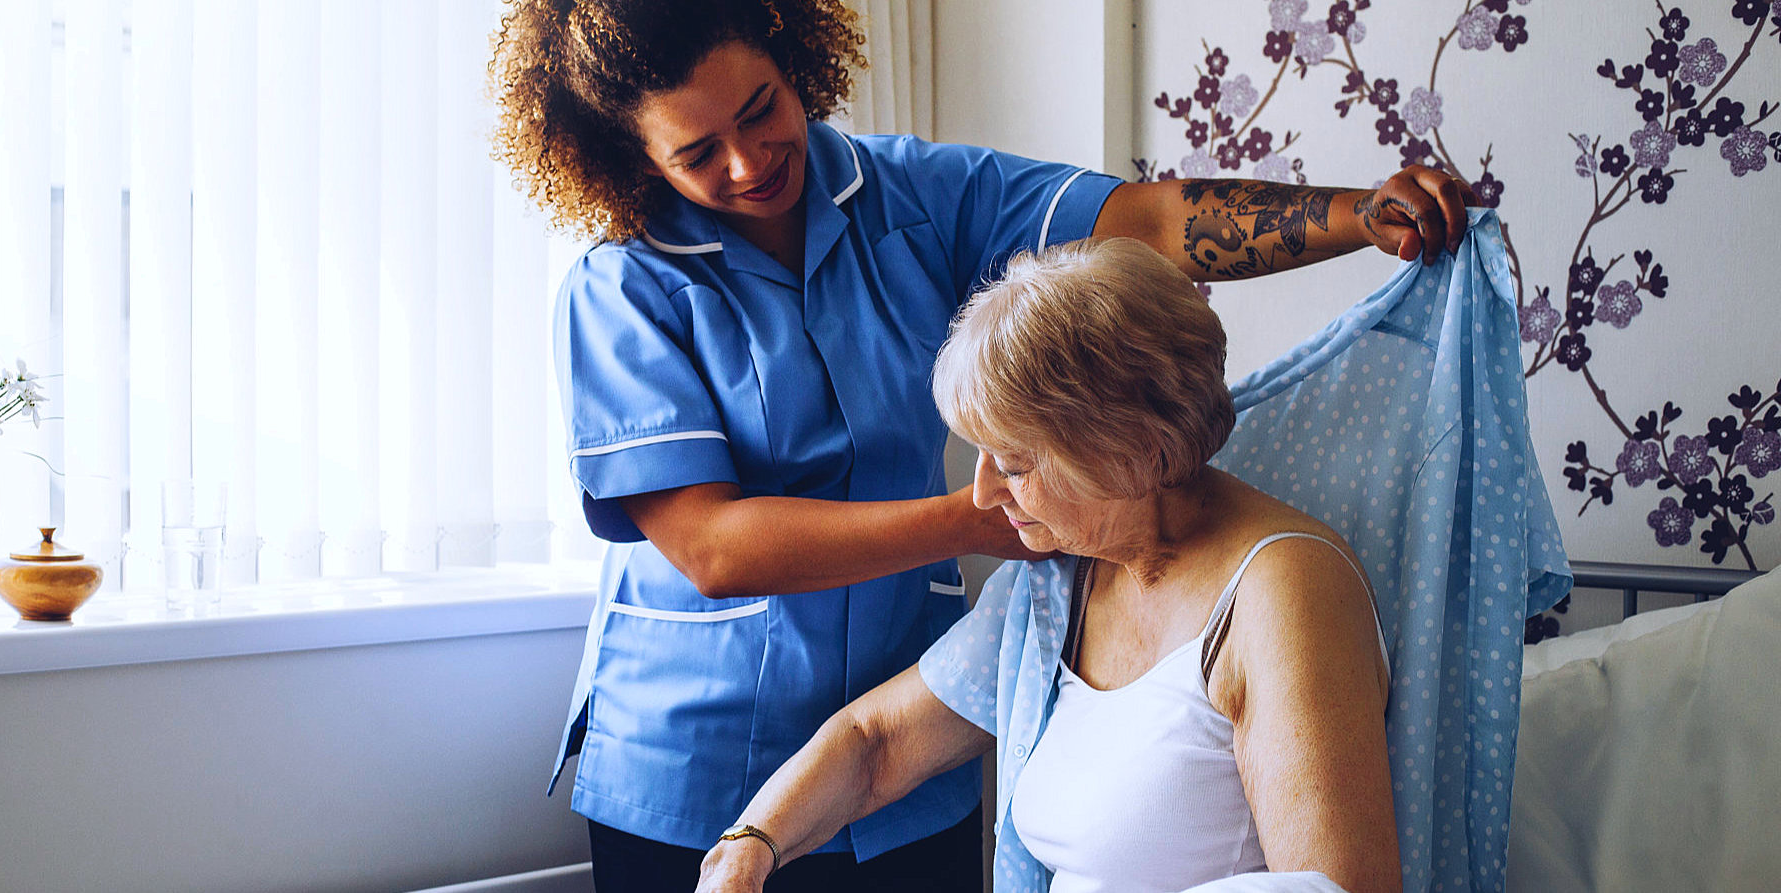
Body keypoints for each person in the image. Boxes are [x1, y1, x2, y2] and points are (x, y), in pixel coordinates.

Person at [485, 1, 1464, 889]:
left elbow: (1147, 220)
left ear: (792, 56)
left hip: (905, 759)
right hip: (693, 765)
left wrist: (1357, 216)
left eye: (760, 110)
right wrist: (992, 512)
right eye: (697, 153)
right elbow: (714, 547)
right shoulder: (622, 286)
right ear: (633, 156)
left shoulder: (914, 194)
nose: (746, 163)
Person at [694, 237, 1398, 893]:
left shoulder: (1283, 593)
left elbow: (1333, 889)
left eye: (1015, 464)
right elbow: (877, 741)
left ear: (1133, 449)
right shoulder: (1059, 582)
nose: (982, 494)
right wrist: (749, 845)